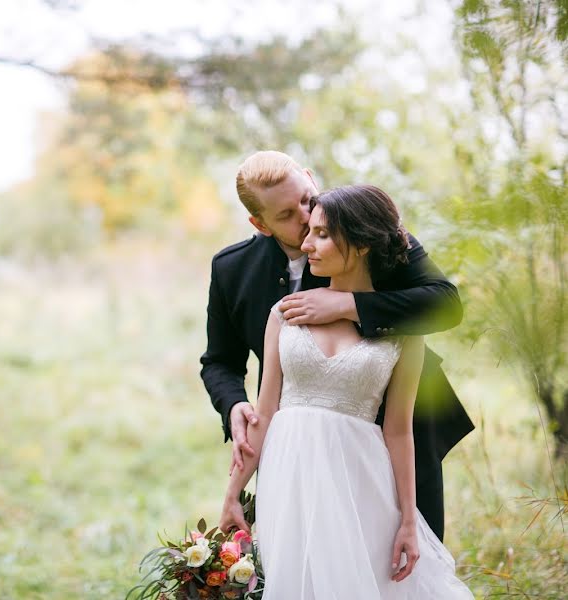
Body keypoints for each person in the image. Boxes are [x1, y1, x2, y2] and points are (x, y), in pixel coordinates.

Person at [201, 151, 473, 540]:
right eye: (286, 216)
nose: (305, 216)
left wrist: (350, 305)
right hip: (303, 444)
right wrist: (233, 405)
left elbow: (445, 304)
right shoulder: (231, 269)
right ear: (259, 224)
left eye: (307, 198)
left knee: (409, 558)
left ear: (310, 178)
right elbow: (219, 361)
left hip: (404, 424)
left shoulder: (370, 233)